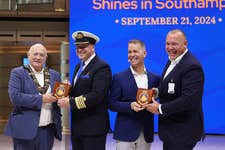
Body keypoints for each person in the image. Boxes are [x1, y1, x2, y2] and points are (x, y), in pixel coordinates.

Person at [145, 29, 205, 150]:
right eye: (167, 43)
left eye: (174, 44)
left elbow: (189, 100)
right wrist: (156, 92)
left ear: (185, 44)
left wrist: (160, 108)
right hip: (171, 129)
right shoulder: (173, 59)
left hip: (183, 130)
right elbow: (170, 86)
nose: (170, 47)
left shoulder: (192, 66)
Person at [57, 31, 112, 150]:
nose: (79, 50)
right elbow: (81, 90)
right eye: (77, 47)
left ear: (92, 47)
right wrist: (68, 89)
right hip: (78, 126)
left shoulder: (102, 67)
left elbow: (97, 96)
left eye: (83, 46)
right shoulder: (79, 66)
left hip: (93, 128)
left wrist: (70, 103)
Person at [4, 43, 62, 150]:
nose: (38, 57)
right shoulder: (18, 73)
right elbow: (15, 97)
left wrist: (64, 93)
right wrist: (41, 99)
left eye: (42, 55)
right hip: (24, 130)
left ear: (46, 58)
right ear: (28, 55)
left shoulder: (55, 75)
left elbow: (58, 97)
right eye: (35, 54)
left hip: (47, 130)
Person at [108, 39, 160, 150]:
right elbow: (112, 104)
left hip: (146, 132)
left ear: (144, 53)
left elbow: (159, 99)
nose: (132, 55)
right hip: (125, 133)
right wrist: (130, 106)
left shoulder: (154, 79)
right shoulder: (119, 77)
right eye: (129, 52)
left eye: (135, 51)